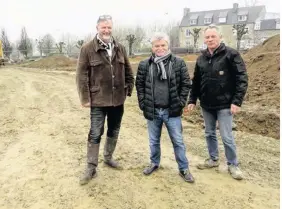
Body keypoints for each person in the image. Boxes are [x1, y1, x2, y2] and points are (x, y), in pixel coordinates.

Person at [76, 14, 134, 185]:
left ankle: (108, 157)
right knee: (95, 132)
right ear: (97, 28)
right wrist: (85, 98)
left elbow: (129, 71)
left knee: (114, 130)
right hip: (98, 100)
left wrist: (128, 89)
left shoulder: (120, 48)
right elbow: (81, 75)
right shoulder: (87, 49)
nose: (107, 30)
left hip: (118, 100)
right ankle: (91, 167)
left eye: (109, 27)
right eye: (103, 27)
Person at [187, 24, 248, 180]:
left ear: (220, 37)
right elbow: (196, 81)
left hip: (225, 104)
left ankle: (233, 164)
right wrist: (192, 100)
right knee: (209, 133)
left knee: (226, 136)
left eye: (213, 36)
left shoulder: (231, 55)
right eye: (207, 37)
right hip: (207, 104)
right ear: (204, 39)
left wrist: (237, 101)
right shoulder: (201, 58)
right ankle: (213, 159)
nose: (210, 39)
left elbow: (242, 79)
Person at [135, 32, 194, 183]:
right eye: (157, 45)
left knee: (178, 141)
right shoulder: (144, 65)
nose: (160, 48)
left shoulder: (178, 63)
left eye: (163, 45)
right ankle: (154, 163)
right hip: (153, 110)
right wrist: (143, 103)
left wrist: (180, 102)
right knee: (153, 141)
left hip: (172, 111)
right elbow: (140, 85)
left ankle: (183, 168)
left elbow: (186, 84)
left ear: (168, 46)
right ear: (152, 47)